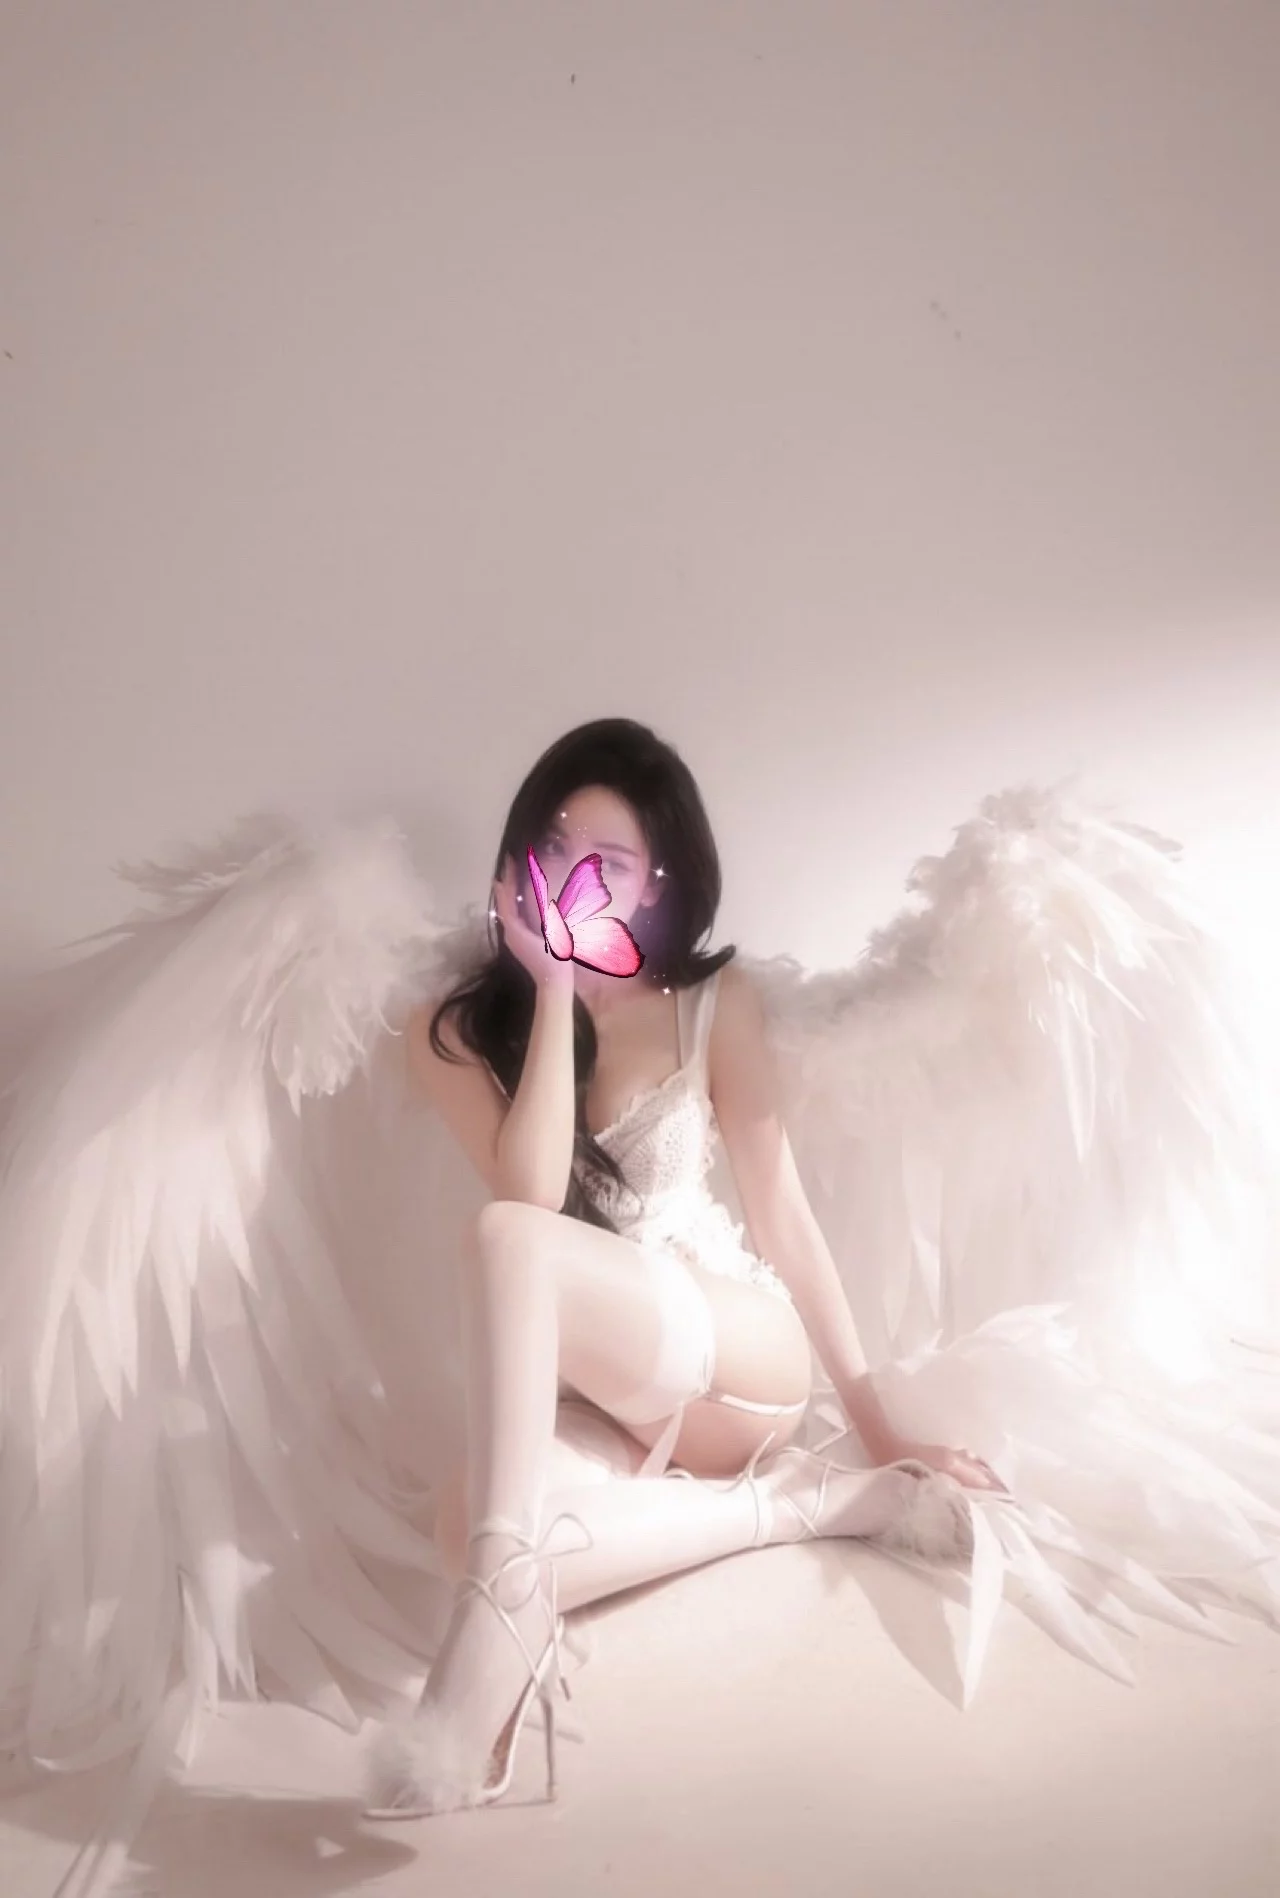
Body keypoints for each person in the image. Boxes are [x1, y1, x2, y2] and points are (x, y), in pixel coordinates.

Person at [364, 716, 1009, 1818]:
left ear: (658, 883)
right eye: (553, 844)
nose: (572, 876)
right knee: (462, 1516)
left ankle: (494, 1623)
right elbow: (529, 1186)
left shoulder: (712, 1003)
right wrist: (554, 991)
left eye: (608, 862)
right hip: (608, 1394)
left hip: (737, 1354)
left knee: (502, 1246)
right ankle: (804, 1507)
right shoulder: (453, 1027)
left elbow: (784, 1216)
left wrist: (880, 1424)